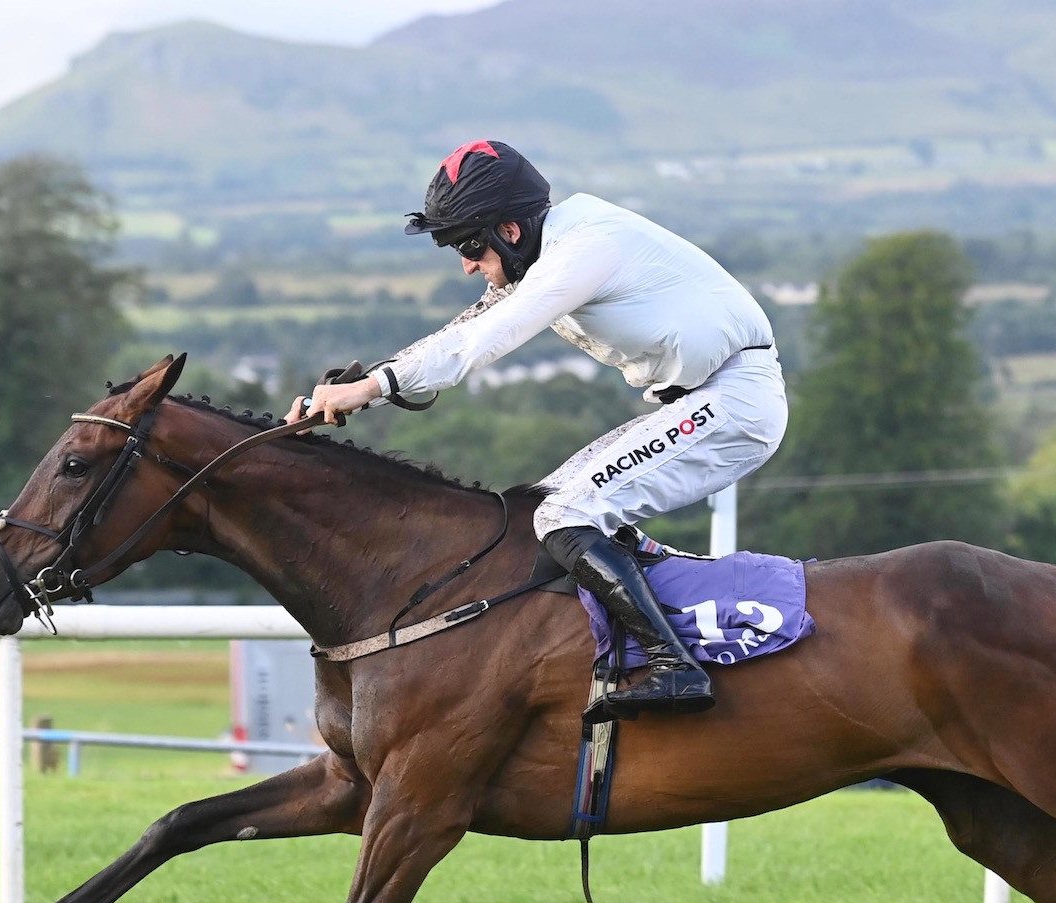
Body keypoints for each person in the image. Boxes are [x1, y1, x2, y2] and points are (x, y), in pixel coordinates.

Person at [286, 140, 785, 721]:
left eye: (470, 248)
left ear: (510, 232)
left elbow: (484, 340)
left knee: (564, 516)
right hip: (704, 399)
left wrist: (373, 388)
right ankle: (656, 629)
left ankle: (675, 666)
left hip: (735, 402)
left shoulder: (584, 249)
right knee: (544, 506)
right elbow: (466, 326)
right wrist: (366, 383)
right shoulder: (552, 247)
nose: (468, 266)